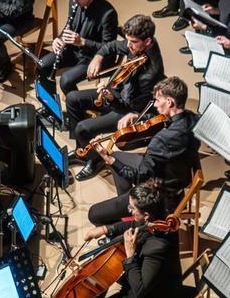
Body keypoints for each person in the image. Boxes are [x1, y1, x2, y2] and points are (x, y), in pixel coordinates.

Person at [73, 181, 185, 298]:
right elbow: (136, 224)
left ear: (146, 214)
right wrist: (107, 228)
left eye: (132, 208)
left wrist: (130, 253)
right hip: (148, 286)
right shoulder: (160, 218)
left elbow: (140, 289)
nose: (128, 211)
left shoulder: (158, 246)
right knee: (103, 280)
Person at [84, 77, 199, 222]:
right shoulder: (193, 119)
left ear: (169, 102)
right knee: (120, 156)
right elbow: (162, 119)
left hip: (159, 194)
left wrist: (108, 158)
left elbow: (139, 178)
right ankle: (128, 205)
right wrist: (138, 116)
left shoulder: (160, 141)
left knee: (94, 214)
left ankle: (135, 211)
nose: (155, 105)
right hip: (177, 177)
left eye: (158, 100)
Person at [67, 15, 165, 180]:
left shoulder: (150, 74)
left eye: (132, 42)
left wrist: (109, 96)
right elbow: (111, 46)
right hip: (119, 93)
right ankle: (82, 149)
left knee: (83, 128)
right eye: (127, 40)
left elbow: (126, 106)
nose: (128, 45)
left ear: (147, 42)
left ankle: (94, 160)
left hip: (128, 110)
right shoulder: (136, 45)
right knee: (72, 98)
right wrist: (98, 58)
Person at [38, 0, 119, 96]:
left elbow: (109, 49)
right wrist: (59, 39)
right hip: (73, 50)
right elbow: (69, 25)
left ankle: (78, 107)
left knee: (66, 81)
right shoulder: (74, 1)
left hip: (93, 57)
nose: (73, 0)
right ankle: (51, 105)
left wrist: (82, 42)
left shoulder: (107, 14)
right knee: (42, 65)